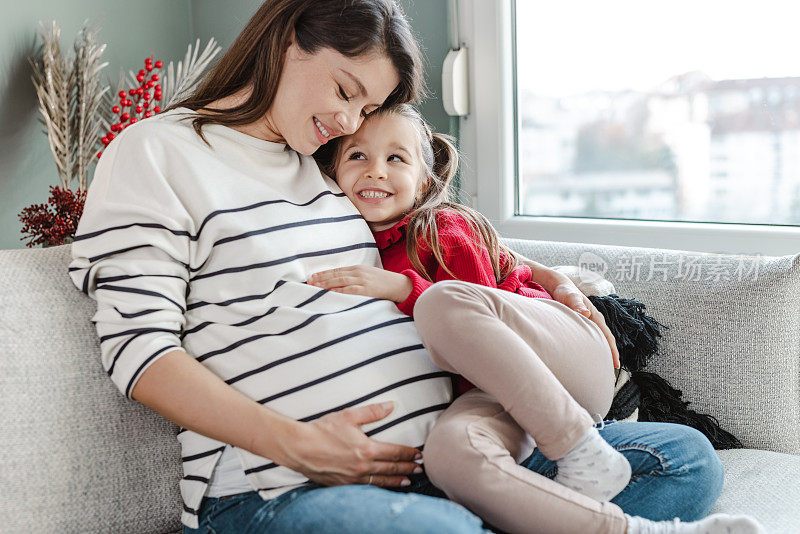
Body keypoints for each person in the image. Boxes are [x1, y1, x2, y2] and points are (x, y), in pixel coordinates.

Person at [67, 1, 754, 533]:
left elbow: (441, 238)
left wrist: (557, 283)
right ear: (286, 38)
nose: (347, 122)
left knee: (681, 461)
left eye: (366, 108)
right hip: (283, 485)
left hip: (457, 456)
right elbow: (138, 351)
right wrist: (302, 446)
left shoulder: (324, 168)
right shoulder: (155, 151)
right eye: (343, 89)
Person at [308, 104, 765, 534]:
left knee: (440, 303)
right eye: (358, 156)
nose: (375, 170)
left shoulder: (441, 228)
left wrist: (405, 289)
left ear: (425, 182)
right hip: (499, 401)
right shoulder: (343, 238)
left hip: (561, 359)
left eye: (395, 158)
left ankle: (577, 448)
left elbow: (477, 309)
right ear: (332, 172)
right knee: (450, 456)